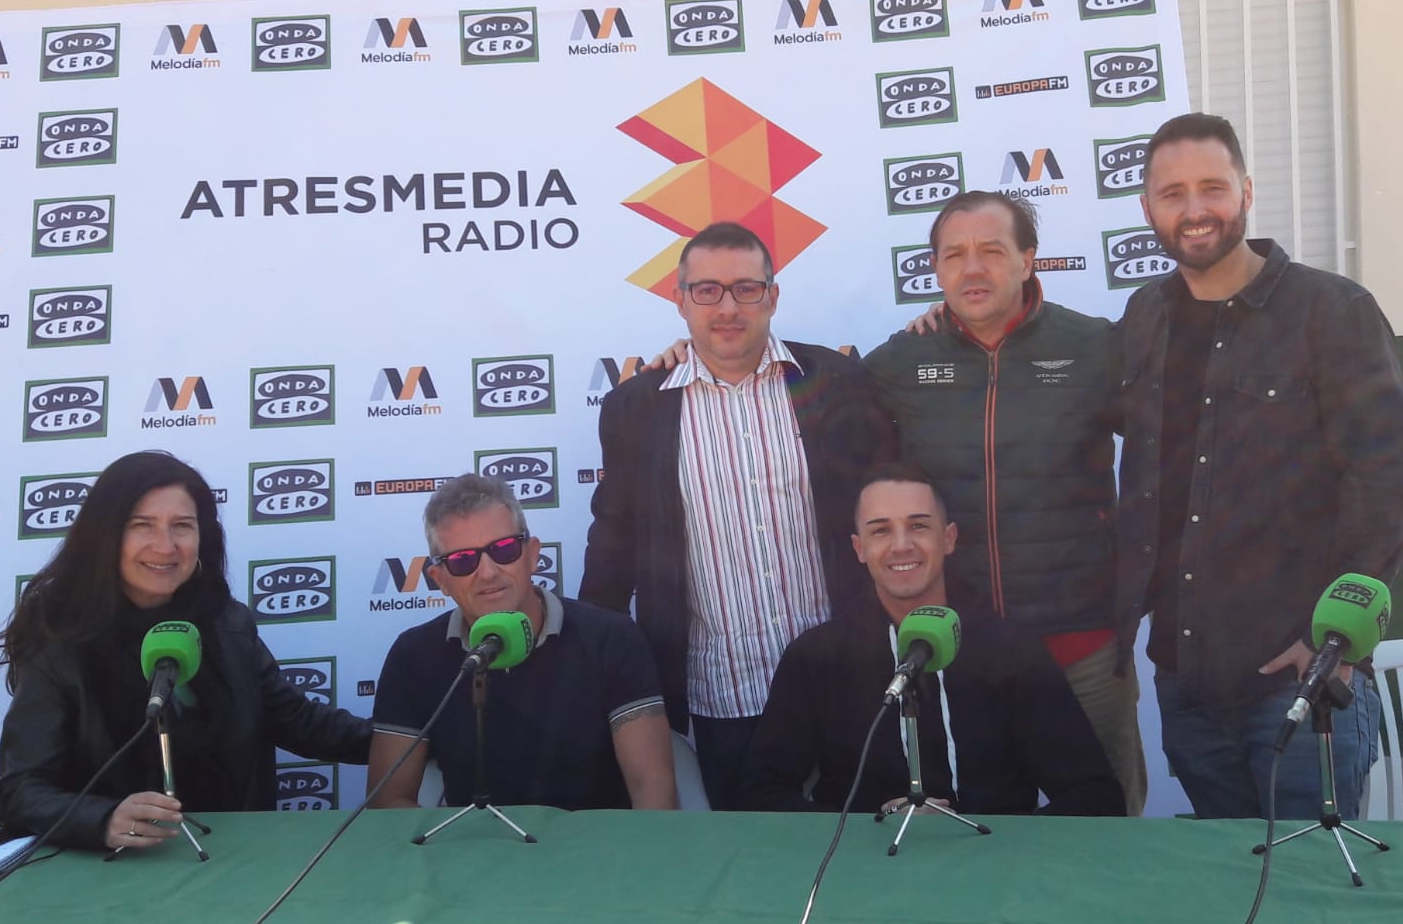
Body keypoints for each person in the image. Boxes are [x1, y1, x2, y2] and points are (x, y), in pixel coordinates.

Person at [1117, 112, 1403, 820]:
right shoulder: (1143, 317)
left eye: (1212, 187)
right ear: (1147, 208)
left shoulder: (1332, 310)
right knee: (1225, 888)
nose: (1194, 210)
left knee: (1309, 893)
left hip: (1300, 677)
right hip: (1186, 683)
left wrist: (1336, 643)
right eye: (1172, 193)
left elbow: (1387, 482)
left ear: (1246, 192)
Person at [580, 221, 895, 809]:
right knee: (748, 870)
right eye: (707, 290)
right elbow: (613, 548)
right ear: (679, 301)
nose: (727, 307)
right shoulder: (638, 407)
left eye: (746, 289)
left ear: (773, 297)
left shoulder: (836, 382)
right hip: (722, 694)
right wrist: (593, 669)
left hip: (847, 679)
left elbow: (887, 515)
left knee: (862, 859)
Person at [867, 191, 1146, 814]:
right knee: (981, 837)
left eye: (991, 251)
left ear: (1028, 260)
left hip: (1082, 646)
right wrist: (679, 357)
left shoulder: (1096, 346)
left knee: (1110, 827)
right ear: (934, 271)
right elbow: (812, 399)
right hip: (964, 654)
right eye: (954, 255)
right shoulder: (904, 360)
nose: (972, 269)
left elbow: (1181, 449)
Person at [0, 450, 371, 852]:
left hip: (227, 863)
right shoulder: (58, 638)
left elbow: (301, 723)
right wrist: (101, 819)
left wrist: (414, 736)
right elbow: (21, 789)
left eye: (182, 526)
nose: (165, 546)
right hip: (104, 877)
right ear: (105, 535)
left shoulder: (228, 624)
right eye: (142, 526)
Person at [742, 466, 1124, 817]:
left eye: (919, 526)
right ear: (859, 549)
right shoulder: (817, 657)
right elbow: (760, 792)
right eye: (881, 530)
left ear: (949, 538)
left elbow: (1094, 795)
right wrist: (866, 829)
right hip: (863, 874)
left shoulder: (1012, 651)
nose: (902, 545)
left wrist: (985, 840)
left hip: (992, 873)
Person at [369, 474, 677, 812]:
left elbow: (653, 788)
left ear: (532, 555)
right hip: (471, 856)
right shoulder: (413, 657)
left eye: (504, 550)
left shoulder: (612, 639)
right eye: (463, 561)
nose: (487, 572)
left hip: (597, 854)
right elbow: (389, 801)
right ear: (440, 580)